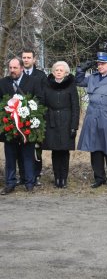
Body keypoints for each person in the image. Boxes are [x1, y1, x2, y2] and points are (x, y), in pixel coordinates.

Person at [75, 51, 107, 188]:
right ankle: (99, 178)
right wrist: (81, 70)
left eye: (103, 63)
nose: (100, 66)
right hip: (92, 117)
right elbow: (79, 82)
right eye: (98, 63)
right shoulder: (93, 77)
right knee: (95, 148)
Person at [0, 57, 43, 195]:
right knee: (10, 156)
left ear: (21, 68)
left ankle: (29, 183)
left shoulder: (33, 81)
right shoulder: (3, 83)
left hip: (27, 126)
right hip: (9, 127)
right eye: (10, 68)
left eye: (15, 68)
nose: (12, 71)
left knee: (27, 156)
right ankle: (10, 183)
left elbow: (39, 100)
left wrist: (31, 115)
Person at [43, 61, 79, 188]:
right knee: (55, 151)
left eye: (61, 70)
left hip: (66, 121)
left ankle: (64, 178)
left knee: (64, 151)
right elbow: (43, 104)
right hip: (51, 121)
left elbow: (75, 107)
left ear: (66, 73)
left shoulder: (71, 86)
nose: (58, 72)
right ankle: (56, 177)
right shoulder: (47, 86)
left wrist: (74, 126)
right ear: (53, 72)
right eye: (56, 70)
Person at [19, 49, 47, 186]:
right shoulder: (17, 74)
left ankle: (36, 174)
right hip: (19, 117)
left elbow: (44, 96)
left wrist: (35, 111)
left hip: (36, 117)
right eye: (24, 57)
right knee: (20, 145)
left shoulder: (41, 75)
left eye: (29, 57)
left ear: (34, 59)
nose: (26, 60)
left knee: (36, 147)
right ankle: (23, 175)